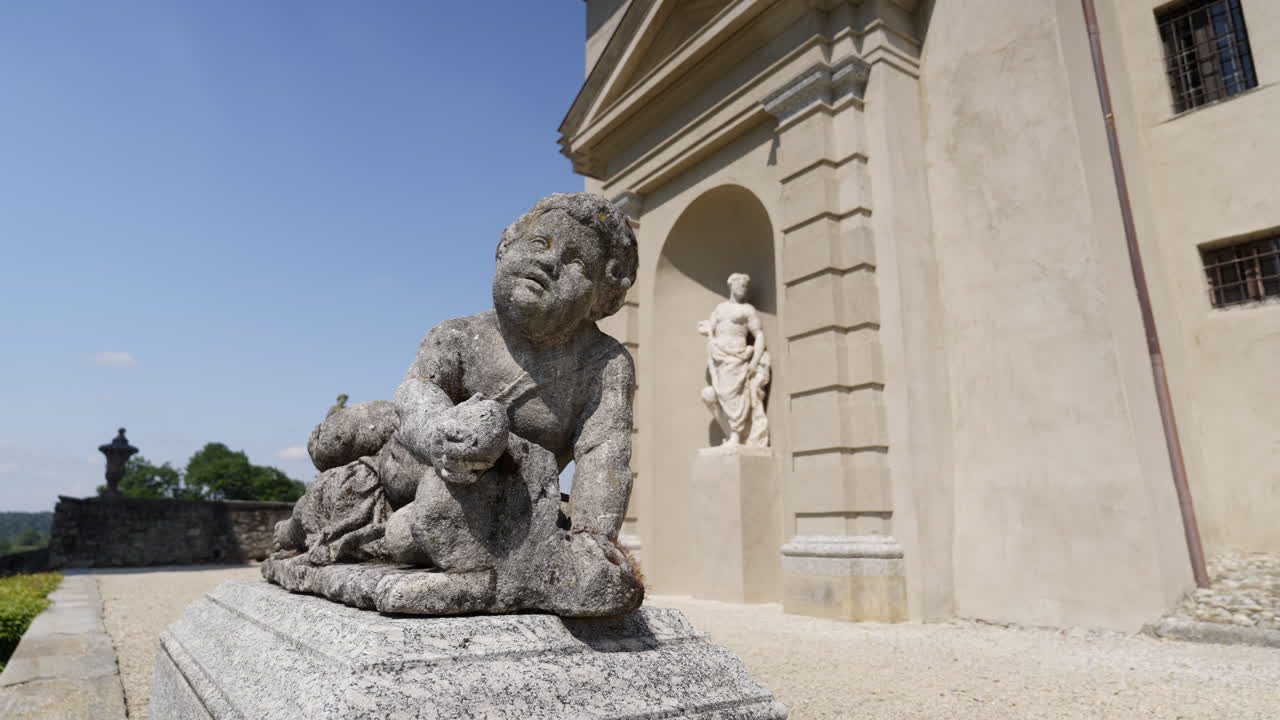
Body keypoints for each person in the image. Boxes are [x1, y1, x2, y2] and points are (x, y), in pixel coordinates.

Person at [271, 193, 643, 616]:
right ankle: (289, 529)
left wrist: (592, 537)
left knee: (412, 533)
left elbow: (604, 451)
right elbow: (418, 395)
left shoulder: (606, 363)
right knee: (330, 488)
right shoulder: (458, 336)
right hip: (396, 473)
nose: (551, 263)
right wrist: (441, 435)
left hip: (486, 500)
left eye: (578, 263)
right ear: (505, 249)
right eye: (540, 244)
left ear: (600, 297)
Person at [697, 273, 770, 447]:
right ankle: (732, 435)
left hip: (738, 360)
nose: (743, 289)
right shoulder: (720, 309)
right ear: (731, 285)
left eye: (745, 286)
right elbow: (710, 328)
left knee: (737, 398)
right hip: (720, 359)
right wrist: (706, 330)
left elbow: (758, 335)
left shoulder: (747, 310)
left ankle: (737, 436)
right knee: (713, 395)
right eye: (740, 285)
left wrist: (754, 362)